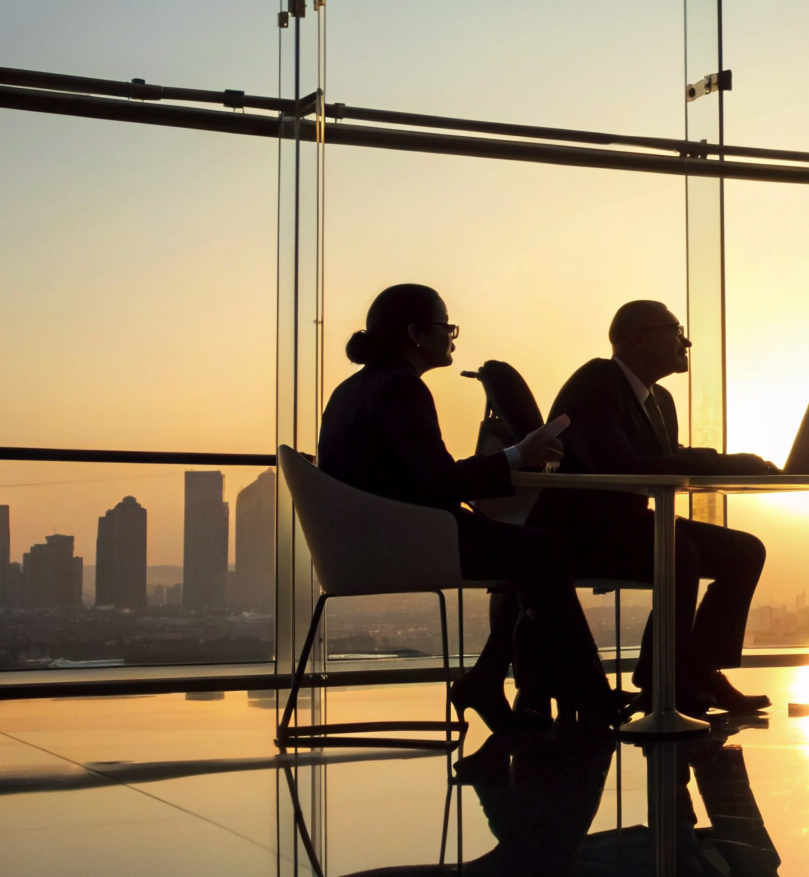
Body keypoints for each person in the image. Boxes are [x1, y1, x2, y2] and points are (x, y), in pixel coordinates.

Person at [316, 283, 619, 728]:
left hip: (370, 539)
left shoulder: (356, 388)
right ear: (417, 332)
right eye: (446, 326)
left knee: (529, 552)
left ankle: (502, 679)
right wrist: (519, 455)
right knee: (546, 550)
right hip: (409, 539)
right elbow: (439, 481)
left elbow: (420, 478)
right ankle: (589, 694)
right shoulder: (403, 389)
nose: (452, 336)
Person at [528, 300, 776, 714]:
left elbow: (669, 457)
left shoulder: (660, 398)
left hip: (630, 525)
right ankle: (664, 678)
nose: (686, 341)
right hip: (579, 531)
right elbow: (620, 466)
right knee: (678, 550)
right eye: (676, 330)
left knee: (744, 551)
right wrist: (724, 462)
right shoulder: (595, 383)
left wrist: (736, 464)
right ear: (638, 337)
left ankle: (699, 669)